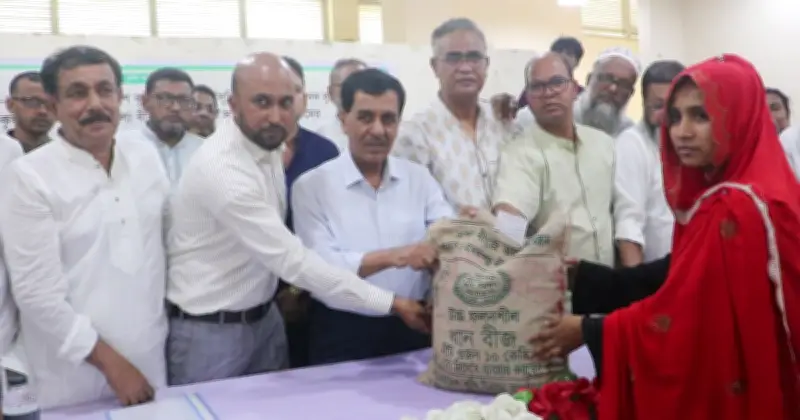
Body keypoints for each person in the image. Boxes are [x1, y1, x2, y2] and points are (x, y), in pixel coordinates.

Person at [534, 54, 800, 419]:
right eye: (674, 116)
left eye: (701, 116)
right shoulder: (765, 187)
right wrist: (589, 279)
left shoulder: (734, 206)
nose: (681, 132)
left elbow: (686, 317)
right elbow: (681, 273)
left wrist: (590, 330)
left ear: (738, 118)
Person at [165, 53, 430, 386]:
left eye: (285, 102)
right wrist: (393, 303)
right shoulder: (224, 170)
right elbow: (295, 262)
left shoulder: (269, 147)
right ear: (233, 104)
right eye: (262, 102)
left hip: (265, 320)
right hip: (212, 333)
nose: (276, 116)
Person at [0, 46, 169, 408]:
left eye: (105, 90)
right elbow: (37, 295)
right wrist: (113, 365)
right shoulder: (30, 177)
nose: (95, 104)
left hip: (149, 359)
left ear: (120, 96)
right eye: (78, 93)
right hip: (72, 376)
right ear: (53, 104)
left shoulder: (144, 156)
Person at [293, 68, 452, 364]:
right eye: (365, 117)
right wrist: (396, 257)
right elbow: (322, 268)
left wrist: (467, 229)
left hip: (414, 325)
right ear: (344, 120)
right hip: (342, 331)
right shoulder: (311, 187)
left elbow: (445, 234)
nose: (378, 130)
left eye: (388, 119)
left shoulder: (420, 179)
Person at [493, 52, 616, 266]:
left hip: (612, 277)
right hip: (558, 281)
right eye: (537, 87)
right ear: (528, 97)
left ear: (574, 89)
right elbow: (508, 225)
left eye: (557, 82)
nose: (548, 93)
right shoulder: (520, 153)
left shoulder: (603, 143)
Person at [393, 18, 509, 210]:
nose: (465, 68)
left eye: (474, 57)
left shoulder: (503, 122)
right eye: (454, 58)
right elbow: (409, 208)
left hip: (512, 230)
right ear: (434, 66)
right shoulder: (415, 134)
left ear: (486, 64)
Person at [275, 56, 339, 368]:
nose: (285, 101)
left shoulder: (324, 151)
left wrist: (298, 288)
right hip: (254, 294)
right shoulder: (243, 155)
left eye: (294, 91)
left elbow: (334, 223)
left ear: (305, 97)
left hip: (311, 289)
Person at [614, 60, 685, 266]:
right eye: (658, 106)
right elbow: (629, 222)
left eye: (673, 106)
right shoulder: (632, 143)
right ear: (644, 103)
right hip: (656, 272)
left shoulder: (690, 142)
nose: (666, 115)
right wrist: (635, 279)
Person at [120, 67, 203, 185]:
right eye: (165, 99)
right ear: (145, 102)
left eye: (183, 100)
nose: (175, 107)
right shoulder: (121, 148)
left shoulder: (205, 151)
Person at [517, 36, 585, 110]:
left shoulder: (582, 95)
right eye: (559, 52)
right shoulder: (534, 88)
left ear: (577, 62)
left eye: (569, 54)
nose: (563, 56)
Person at [315, 58, 367, 150]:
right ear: (331, 92)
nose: (355, 91)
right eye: (347, 85)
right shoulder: (321, 137)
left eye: (362, 85)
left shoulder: (391, 134)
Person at [2, 71, 55, 152]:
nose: (43, 111)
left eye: (50, 103)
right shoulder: (3, 153)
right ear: (11, 105)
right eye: (32, 102)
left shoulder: (67, 155)